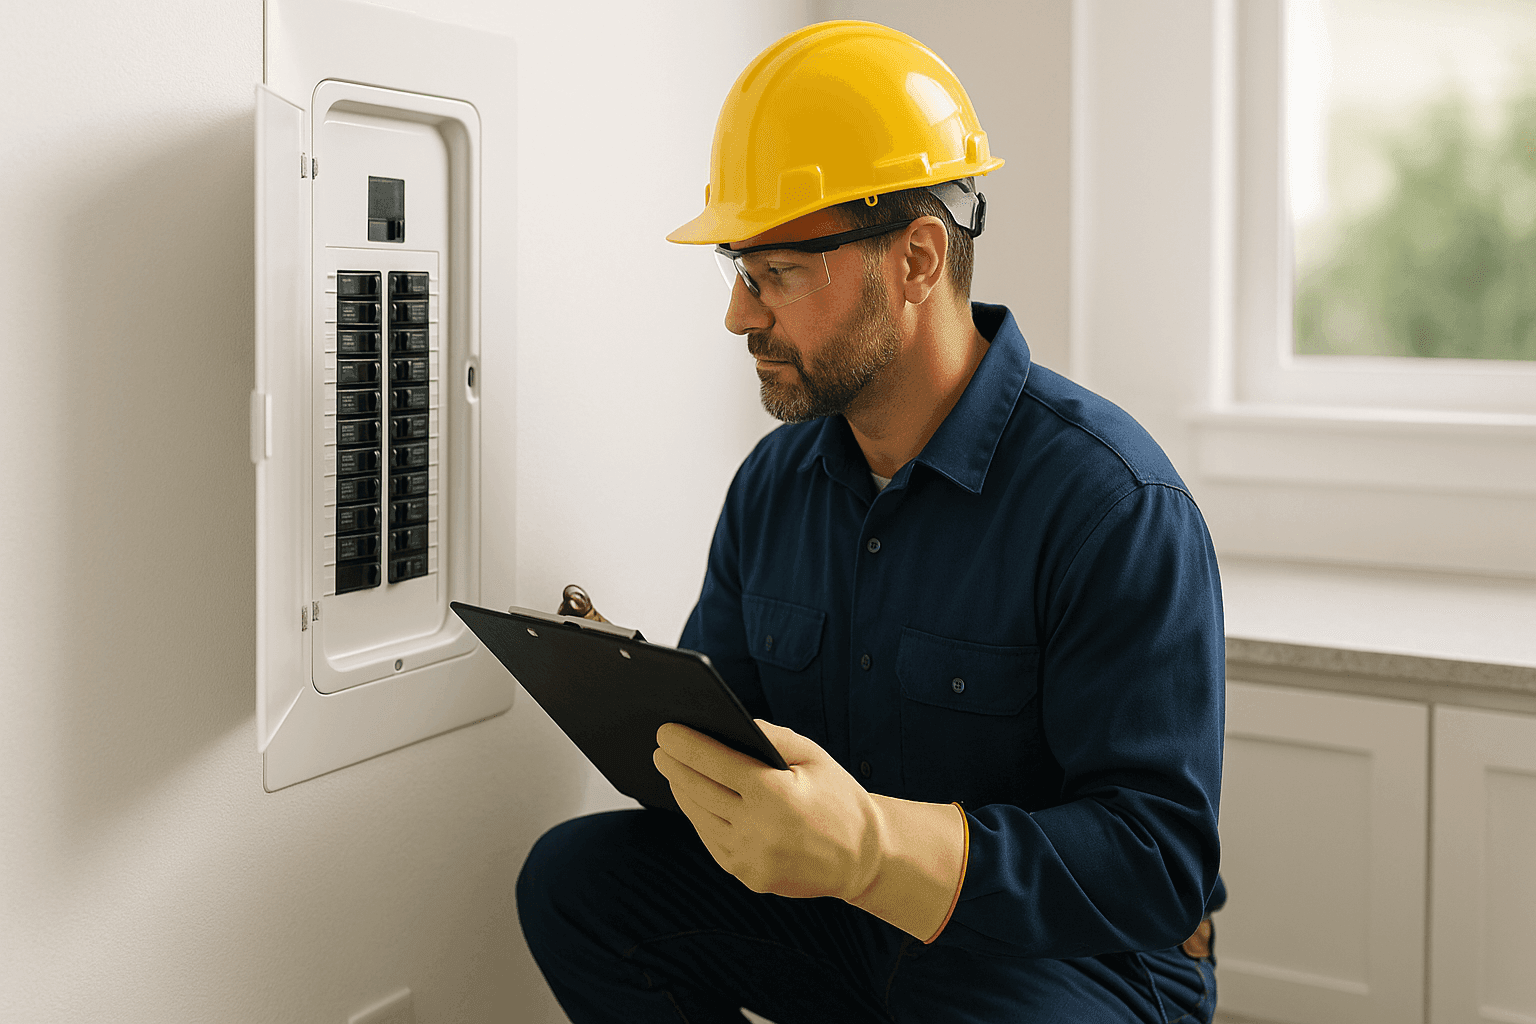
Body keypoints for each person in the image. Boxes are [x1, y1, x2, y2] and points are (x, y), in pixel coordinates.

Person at [517, 20, 1226, 1024]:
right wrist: (643, 718)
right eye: (736, 268)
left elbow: (1154, 865)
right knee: (574, 882)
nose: (738, 315)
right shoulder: (774, 485)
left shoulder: (1112, 503)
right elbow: (735, 745)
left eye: (777, 272)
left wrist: (874, 846)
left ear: (917, 260)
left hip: (1062, 961)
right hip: (842, 921)